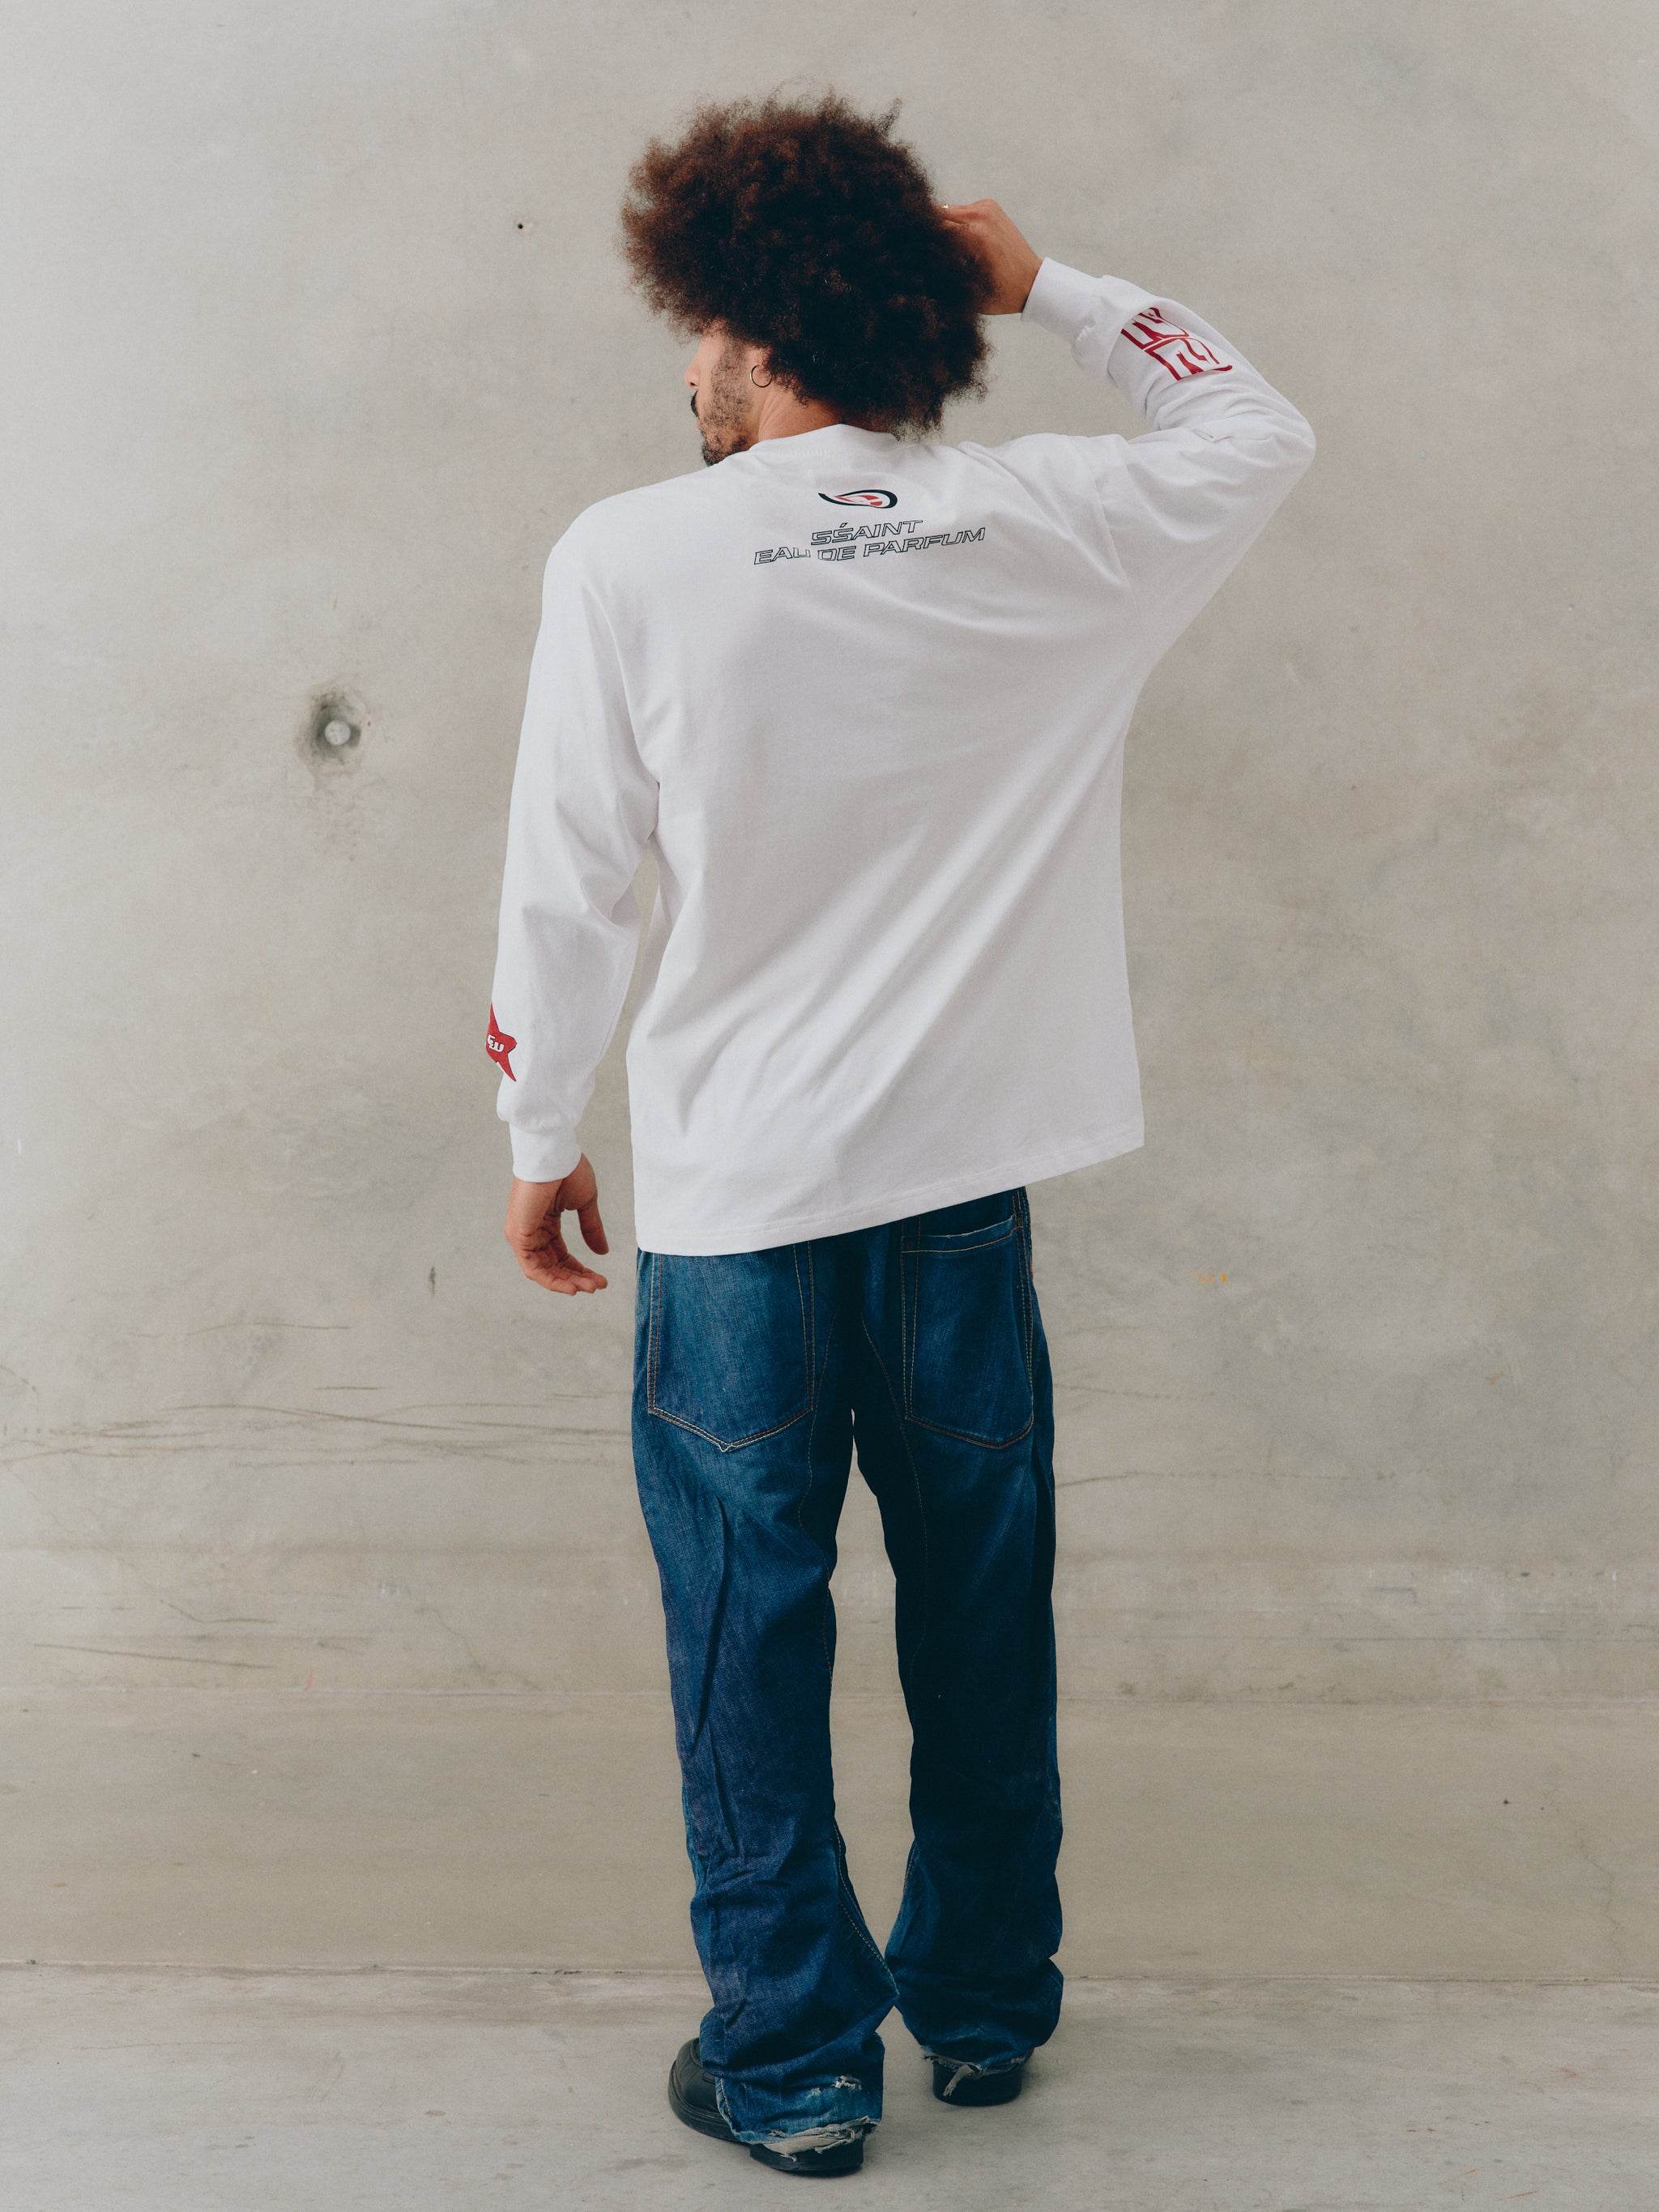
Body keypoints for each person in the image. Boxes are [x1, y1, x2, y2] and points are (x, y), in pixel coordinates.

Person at [487, 92, 1314, 2177]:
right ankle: (983, 2001)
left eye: (699, 328)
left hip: (740, 1200)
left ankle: (793, 2063)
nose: (689, 366)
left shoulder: (630, 555)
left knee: (745, 1625)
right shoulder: (1050, 522)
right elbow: (1253, 428)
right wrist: (1056, 287)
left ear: (761, 329)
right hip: (961, 1190)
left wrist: (537, 1123)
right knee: (979, 1599)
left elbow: (567, 885)